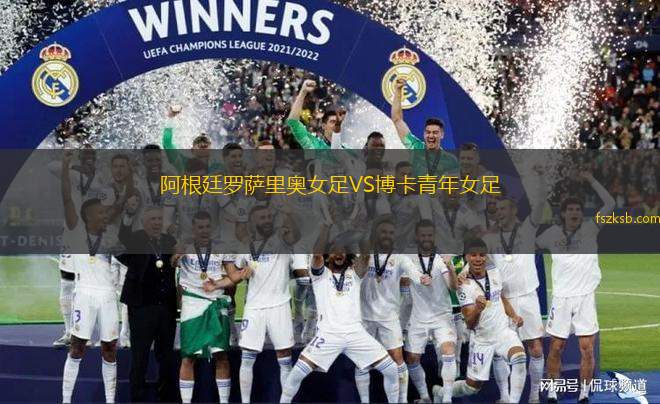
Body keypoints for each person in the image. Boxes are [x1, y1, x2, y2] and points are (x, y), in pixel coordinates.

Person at [280, 226, 400, 403]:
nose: (339, 254)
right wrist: (327, 226)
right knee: (297, 373)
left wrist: (363, 229)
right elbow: (317, 254)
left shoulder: (355, 274)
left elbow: (365, 255)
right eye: (334, 251)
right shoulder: (320, 275)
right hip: (328, 335)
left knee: (391, 370)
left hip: (356, 334)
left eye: (343, 251)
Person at [536, 171, 615, 404]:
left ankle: (584, 393)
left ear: (582, 214)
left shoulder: (591, 228)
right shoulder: (551, 234)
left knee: (587, 348)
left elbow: (610, 203)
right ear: (563, 213)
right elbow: (529, 244)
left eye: (578, 210)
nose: (574, 213)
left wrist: (592, 180)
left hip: (585, 298)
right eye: (570, 209)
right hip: (561, 298)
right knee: (556, 347)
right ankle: (552, 390)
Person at [482, 166, 546, 403]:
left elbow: (540, 204)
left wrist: (540, 177)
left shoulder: (527, 229)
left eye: (503, 208)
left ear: (513, 210)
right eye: (496, 209)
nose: (499, 212)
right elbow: (485, 269)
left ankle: (534, 395)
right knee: (501, 351)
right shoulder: (489, 239)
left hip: (528, 297)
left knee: (535, 348)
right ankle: (505, 397)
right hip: (503, 301)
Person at [435, 238, 527, 403]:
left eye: (482, 255)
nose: (478, 259)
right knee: (471, 388)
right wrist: (478, 309)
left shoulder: (494, 272)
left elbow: (501, 297)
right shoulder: (464, 286)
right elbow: (470, 324)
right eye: (473, 255)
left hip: (503, 333)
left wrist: (513, 315)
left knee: (519, 358)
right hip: (482, 340)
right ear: (467, 257)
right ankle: (440, 392)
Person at [60, 151, 119, 404]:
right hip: (84, 294)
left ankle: (110, 400)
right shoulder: (76, 231)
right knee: (77, 347)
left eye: (106, 214)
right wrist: (65, 167)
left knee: (110, 349)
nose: (105, 216)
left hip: (108, 296)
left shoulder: (112, 236)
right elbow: (67, 199)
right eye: (100, 214)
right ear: (88, 216)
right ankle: (66, 400)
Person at [172, 211, 244, 404]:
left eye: (207, 227)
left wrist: (240, 275)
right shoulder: (185, 246)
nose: (204, 230)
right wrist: (176, 256)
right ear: (193, 229)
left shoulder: (222, 247)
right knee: (188, 356)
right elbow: (173, 263)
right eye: (200, 227)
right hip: (192, 303)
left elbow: (232, 276)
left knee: (221, 354)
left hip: (215, 301)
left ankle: (224, 401)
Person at [233, 205, 301, 403]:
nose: (267, 220)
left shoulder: (282, 239)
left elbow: (295, 235)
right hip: (254, 307)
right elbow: (235, 273)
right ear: (253, 221)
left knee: (285, 357)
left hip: (279, 305)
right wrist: (242, 274)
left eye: (269, 216)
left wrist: (289, 213)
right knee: (247, 357)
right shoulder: (245, 246)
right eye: (262, 217)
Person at [116, 205, 179, 403]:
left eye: (159, 219)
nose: (157, 223)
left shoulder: (169, 241)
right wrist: (128, 213)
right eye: (153, 219)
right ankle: (137, 396)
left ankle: (165, 394)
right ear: (144, 223)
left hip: (166, 307)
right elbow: (123, 235)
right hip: (141, 306)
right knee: (140, 355)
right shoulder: (135, 239)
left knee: (166, 355)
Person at [356, 217, 414, 404]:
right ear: (375, 234)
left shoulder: (400, 258)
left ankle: (402, 401)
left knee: (397, 359)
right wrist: (364, 255)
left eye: (390, 233)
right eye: (383, 232)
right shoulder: (364, 253)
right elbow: (357, 274)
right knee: (362, 361)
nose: (387, 236)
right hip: (364, 316)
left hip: (389, 317)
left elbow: (410, 279)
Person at [405, 220, 458, 403]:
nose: (426, 238)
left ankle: (447, 399)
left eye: (430, 235)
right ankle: (425, 397)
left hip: (441, 316)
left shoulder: (441, 258)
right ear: (417, 236)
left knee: (448, 351)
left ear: (434, 236)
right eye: (423, 235)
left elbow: (453, 287)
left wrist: (450, 267)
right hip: (418, 317)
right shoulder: (408, 257)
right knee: (411, 358)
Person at [390, 77, 458, 177]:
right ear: (424, 134)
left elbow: (456, 183)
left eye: (435, 132)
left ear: (442, 135)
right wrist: (398, 91)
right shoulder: (415, 147)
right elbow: (397, 120)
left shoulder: (450, 161)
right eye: (428, 132)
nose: (431, 136)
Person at [286, 79, 347, 149]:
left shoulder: (346, 148)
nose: (336, 125)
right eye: (332, 122)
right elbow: (293, 122)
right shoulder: (313, 144)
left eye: (338, 122)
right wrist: (303, 92)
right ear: (323, 126)